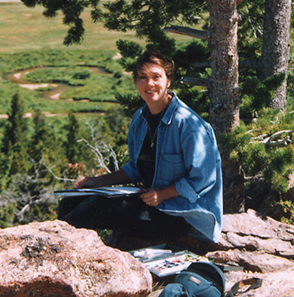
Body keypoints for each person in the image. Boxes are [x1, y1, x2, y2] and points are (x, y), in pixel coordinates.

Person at [58, 51, 223, 243]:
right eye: (142, 78)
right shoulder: (140, 119)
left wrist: (162, 193)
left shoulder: (188, 125)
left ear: (168, 81)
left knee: (98, 207)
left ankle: (61, 256)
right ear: (136, 83)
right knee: (69, 204)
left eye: (156, 77)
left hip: (182, 215)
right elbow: (136, 168)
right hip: (152, 205)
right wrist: (97, 182)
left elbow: (203, 179)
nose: (149, 84)